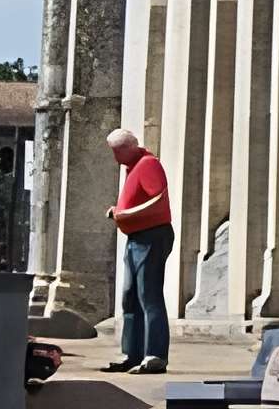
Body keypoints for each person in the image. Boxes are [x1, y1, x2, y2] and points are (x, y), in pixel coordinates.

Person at [106, 127, 174, 375]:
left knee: (149, 295)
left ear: (129, 147)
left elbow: (159, 199)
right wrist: (119, 211)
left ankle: (155, 355)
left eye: (117, 152)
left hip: (153, 236)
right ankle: (131, 355)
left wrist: (124, 214)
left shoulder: (148, 164)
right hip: (136, 237)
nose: (115, 159)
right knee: (130, 296)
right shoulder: (132, 168)